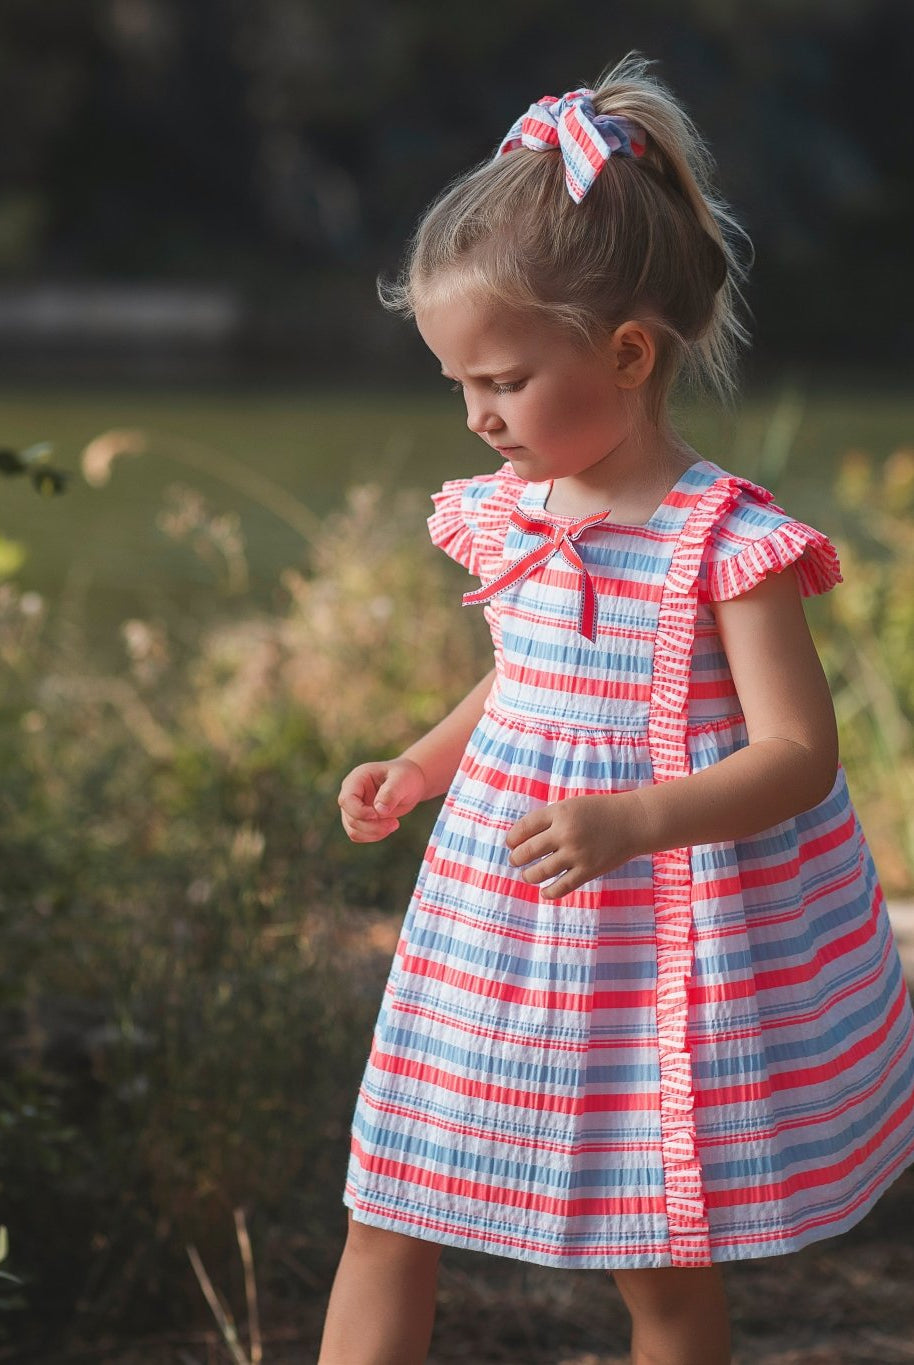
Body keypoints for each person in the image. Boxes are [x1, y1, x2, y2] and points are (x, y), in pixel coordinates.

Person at [319, 54, 914, 1365]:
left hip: (659, 942)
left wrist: (634, 817)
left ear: (627, 352)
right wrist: (420, 765)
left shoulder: (723, 543)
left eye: (503, 382)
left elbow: (800, 757)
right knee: (389, 1195)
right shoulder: (513, 521)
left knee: (655, 1248)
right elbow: (522, 674)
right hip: (493, 912)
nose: (476, 418)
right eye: (457, 386)